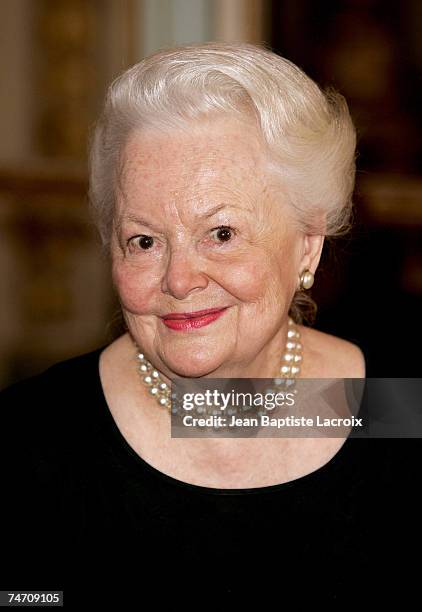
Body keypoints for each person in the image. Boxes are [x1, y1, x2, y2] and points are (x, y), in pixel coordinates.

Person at [0, 42, 418, 603]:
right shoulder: (29, 443)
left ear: (308, 244)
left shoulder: (398, 414)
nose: (178, 280)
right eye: (143, 241)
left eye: (221, 234)